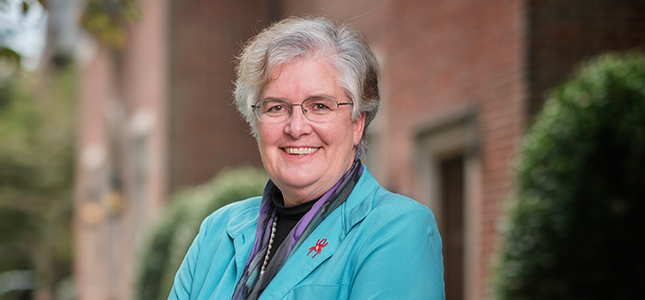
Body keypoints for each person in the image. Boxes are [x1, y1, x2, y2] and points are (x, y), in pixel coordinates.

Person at [168, 16, 445, 300]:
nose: (296, 127)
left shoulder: (397, 229)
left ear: (357, 124)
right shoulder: (217, 231)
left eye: (320, 106)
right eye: (276, 107)